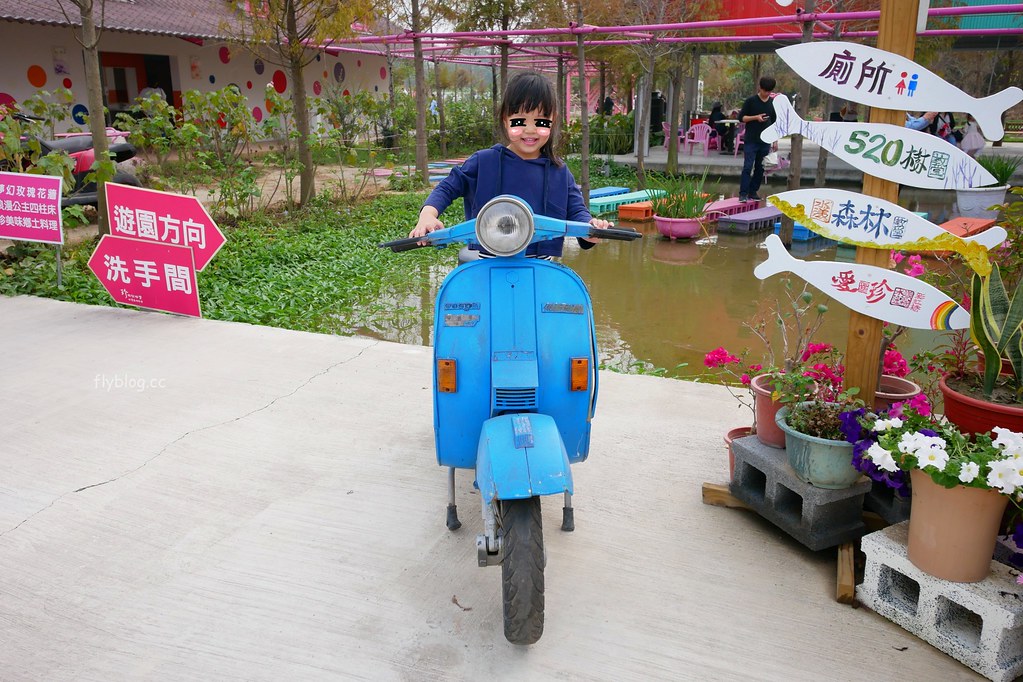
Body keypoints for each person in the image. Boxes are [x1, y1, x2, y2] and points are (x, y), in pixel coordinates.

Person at [410, 71, 612, 258]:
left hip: (542, 268)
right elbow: (447, 187)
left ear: (553, 121)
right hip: (490, 264)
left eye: (541, 121)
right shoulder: (484, 162)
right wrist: (428, 215)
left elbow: (577, 211)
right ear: (505, 120)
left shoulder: (559, 171)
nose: (530, 130)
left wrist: (591, 228)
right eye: (520, 121)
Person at [738, 76, 777, 202]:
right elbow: (742, 118)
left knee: (760, 168)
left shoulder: (773, 103)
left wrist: (775, 140)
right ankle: (743, 193)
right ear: (760, 88)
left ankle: (753, 191)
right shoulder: (751, 101)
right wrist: (756, 117)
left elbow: (775, 122)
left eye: (769, 91)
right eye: (765, 90)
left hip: (765, 141)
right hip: (751, 139)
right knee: (748, 166)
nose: (767, 93)